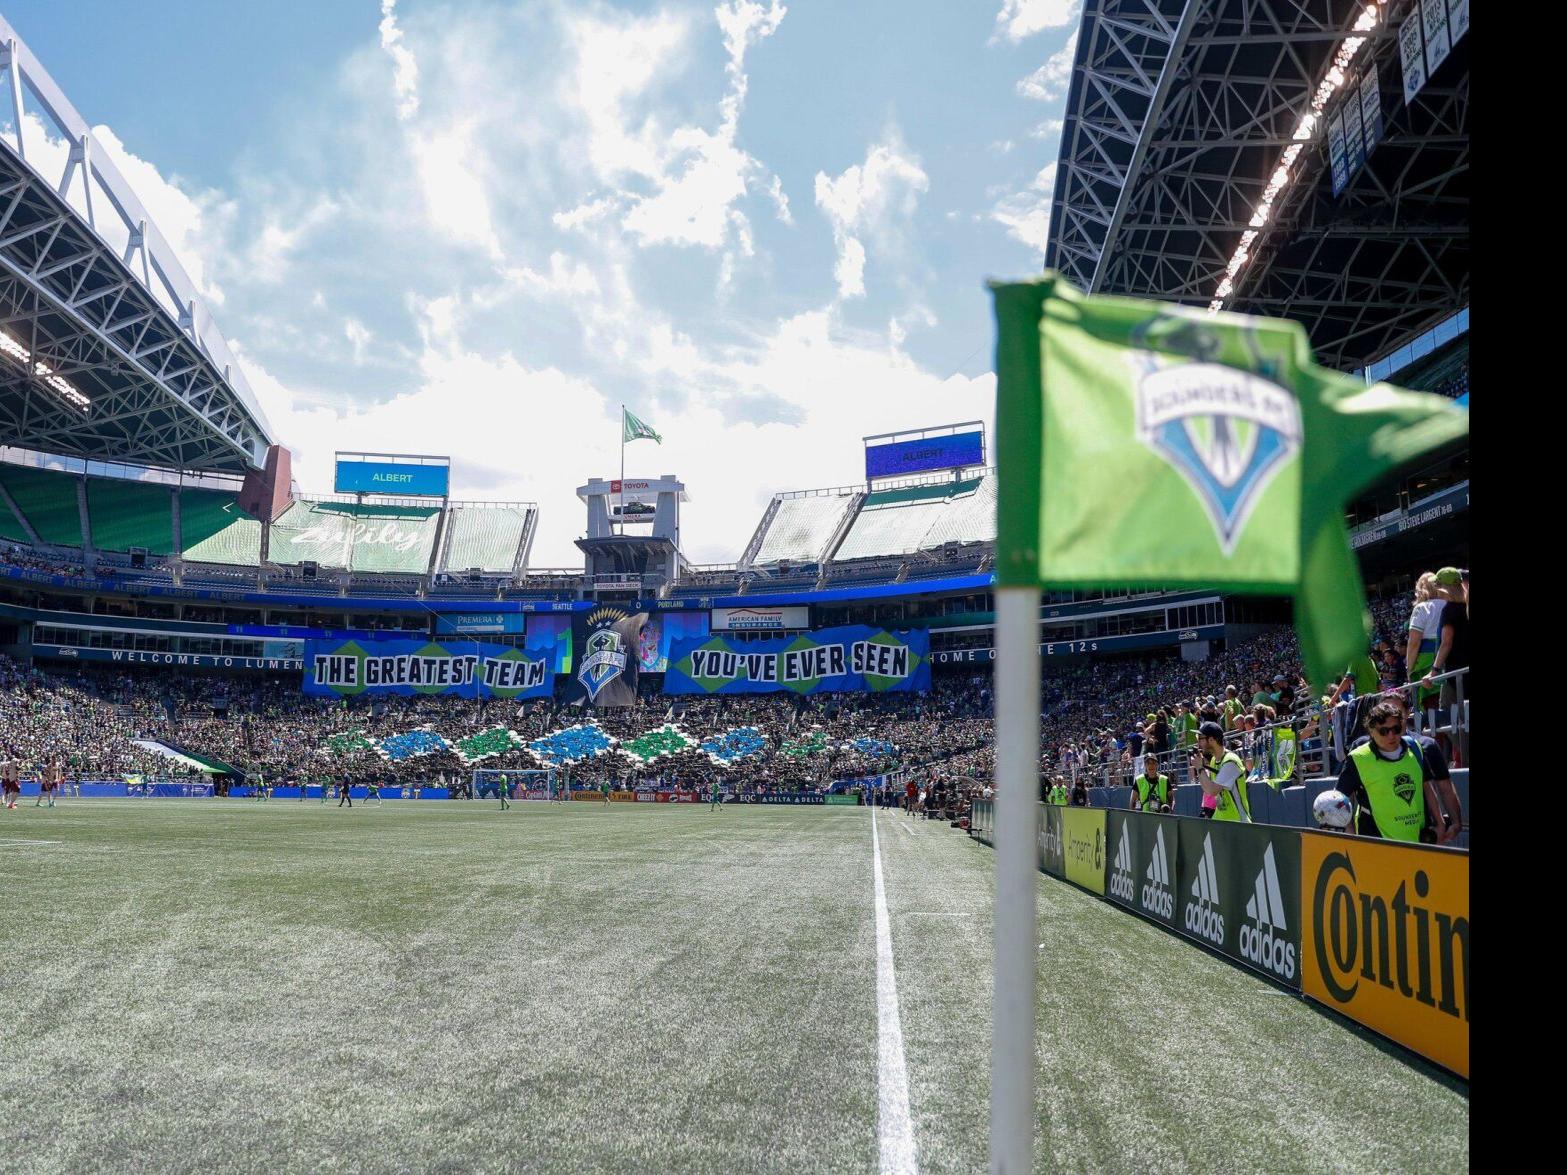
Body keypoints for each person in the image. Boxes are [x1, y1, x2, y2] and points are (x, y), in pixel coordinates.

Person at [1337, 699, 1462, 844]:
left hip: (1418, 841)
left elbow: (1427, 787)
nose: (1391, 736)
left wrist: (1440, 825)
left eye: (1395, 729)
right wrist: (1351, 838)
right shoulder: (1358, 757)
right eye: (1383, 731)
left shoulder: (1415, 748)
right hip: (1376, 843)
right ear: (1371, 730)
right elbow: (1341, 801)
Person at [1403, 572, 1446, 715]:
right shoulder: (1449, 604)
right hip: (1449, 658)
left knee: (1434, 713)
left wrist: (1409, 669)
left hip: (1427, 664)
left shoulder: (1422, 608)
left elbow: (1414, 643)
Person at [1191, 721, 1250, 823]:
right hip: (1221, 820)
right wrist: (1199, 767)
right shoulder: (1214, 760)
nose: (1198, 743)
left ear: (1212, 739)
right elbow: (1207, 790)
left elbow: (1212, 790)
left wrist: (1199, 768)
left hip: (1238, 822)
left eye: (1200, 739)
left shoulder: (1230, 761)